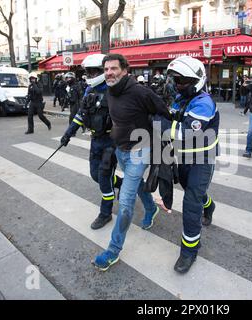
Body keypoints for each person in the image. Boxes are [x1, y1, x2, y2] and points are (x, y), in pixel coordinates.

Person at [93, 54, 170, 271]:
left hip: (140, 151)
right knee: (134, 184)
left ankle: (112, 251)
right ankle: (150, 208)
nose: (109, 72)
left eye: (113, 68)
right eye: (106, 69)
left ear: (125, 70)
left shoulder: (140, 91)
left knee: (125, 201)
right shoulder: (109, 90)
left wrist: (158, 139)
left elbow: (164, 113)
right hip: (121, 150)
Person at [153, 55, 219, 273]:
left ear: (196, 80)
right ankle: (208, 204)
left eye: (182, 80)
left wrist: (158, 124)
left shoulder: (204, 103)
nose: (178, 85)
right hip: (183, 157)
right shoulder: (181, 99)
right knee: (191, 191)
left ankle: (189, 252)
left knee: (191, 206)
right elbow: (171, 118)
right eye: (176, 80)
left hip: (202, 160)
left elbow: (185, 132)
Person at [61, 54, 123, 230]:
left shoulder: (115, 91)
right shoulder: (90, 91)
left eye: (92, 72)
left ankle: (106, 214)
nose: (88, 75)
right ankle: (121, 184)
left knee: (103, 177)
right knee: (95, 175)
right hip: (95, 140)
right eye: (87, 72)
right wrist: (68, 133)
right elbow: (82, 114)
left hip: (110, 142)